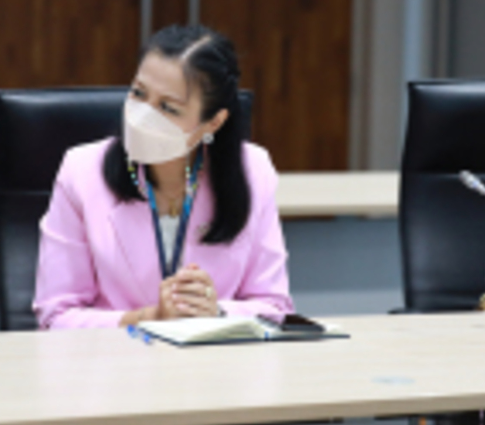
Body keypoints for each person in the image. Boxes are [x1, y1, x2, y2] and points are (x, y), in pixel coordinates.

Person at [33, 24, 294, 329]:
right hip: (115, 355)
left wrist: (218, 313)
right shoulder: (81, 170)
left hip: (214, 357)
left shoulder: (253, 170)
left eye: (168, 108)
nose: (143, 116)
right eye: (138, 93)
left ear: (213, 123)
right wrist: (150, 318)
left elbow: (274, 307)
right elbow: (55, 316)